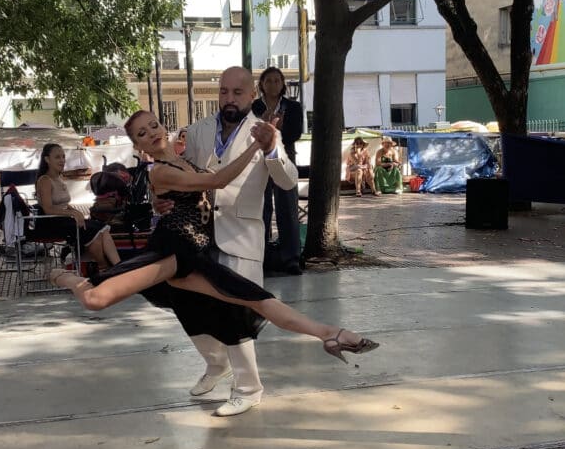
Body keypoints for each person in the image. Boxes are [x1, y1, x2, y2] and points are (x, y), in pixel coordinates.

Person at [50, 111, 378, 376]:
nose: (151, 132)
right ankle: (62, 276)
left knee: (257, 299)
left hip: (195, 256)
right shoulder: (160, 172)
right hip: (170, 253)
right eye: (141, 133)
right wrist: (258, 146)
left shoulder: (185, 163)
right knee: (95, 299)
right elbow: (217, 181)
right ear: (139, 147)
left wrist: (158, 204)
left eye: (154, 124)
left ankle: (333, 334)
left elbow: (197, 194)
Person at [176, 65, 299, 416]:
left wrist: (274, 148)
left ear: (251, 96)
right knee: (189, 304)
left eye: (237, 93)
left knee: (237, 312)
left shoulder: (261, 133)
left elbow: (288, 181)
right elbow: (186, 176)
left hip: (242, 236)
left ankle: (249, 387)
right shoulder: (198, 131)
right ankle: (217, 364)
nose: (229, 99)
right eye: (223, 92)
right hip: (197, 235)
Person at [252, 66, 303, 275]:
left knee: (288, 206)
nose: (273, 84)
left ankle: (291, 258)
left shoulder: (293, 106)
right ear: (261, 84)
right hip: (258, 158)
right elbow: (248, 132)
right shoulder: (253, 106)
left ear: (282, 84)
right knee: (261, 207)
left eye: (277, 81)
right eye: (268, 81)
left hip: (284, 155)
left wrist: (276, 130)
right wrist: (263, 123)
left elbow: (296, 132)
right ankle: (259, 257)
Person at [36, 143, 120, 270]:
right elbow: (48, 209)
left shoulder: (59, 178)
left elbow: (64, 204)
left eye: (63, 157)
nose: (62, 160)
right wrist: (73, 214)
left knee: (100, 228)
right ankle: (105, 267)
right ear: (47, 159)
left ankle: (117, 266)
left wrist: (75, 211)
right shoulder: (45, 181)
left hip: (62, 220)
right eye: (57, 157)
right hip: (50, 223)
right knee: (92, 230)